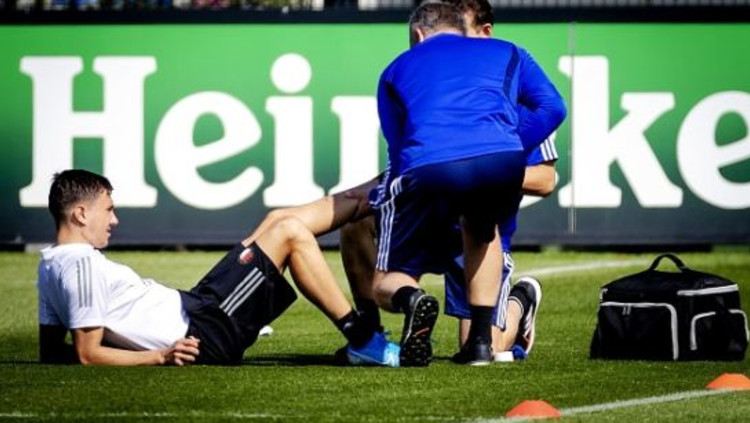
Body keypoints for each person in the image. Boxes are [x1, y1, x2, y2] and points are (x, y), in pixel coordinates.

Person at [37, 169, 400, 367]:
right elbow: (88, 354)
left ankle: (390, 179)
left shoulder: (50, 264)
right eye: (108, 210)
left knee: (277, 220)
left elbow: (52, 352)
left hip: (199, 305)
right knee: (290, 233)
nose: (114, 220)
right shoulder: (81, 265)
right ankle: (363, 339)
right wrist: (160, 355)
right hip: (205, 331)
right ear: (80, 214)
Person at [372, 1, 566, 366]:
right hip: (482, 183)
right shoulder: (507, 55)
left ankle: (427, 300)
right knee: (481, 229)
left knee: (387, 277)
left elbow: (400, 156)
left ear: (419, 35)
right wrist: (504, 149)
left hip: (436, 180)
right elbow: (554, 107)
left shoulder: (398, 69)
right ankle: (471, 345)